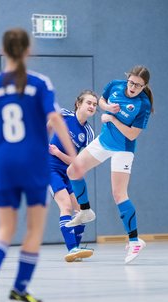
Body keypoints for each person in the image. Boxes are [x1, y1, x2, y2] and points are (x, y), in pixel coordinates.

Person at [0, 28, 79, 302]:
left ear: (3, 50)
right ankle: (19, 289)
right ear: (28, 50)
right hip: (34, 163)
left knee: (6, 228)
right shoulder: (40, 83)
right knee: (34, 229)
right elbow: (56, 119)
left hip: (4, 163)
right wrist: (75, 158)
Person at [66, 65, 154, 264]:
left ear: (144, 86)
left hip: (123, 148)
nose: (133, 87)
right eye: (131, 82)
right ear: (127, 78)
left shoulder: (143, 104)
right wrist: (106, 108)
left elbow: (132, 134)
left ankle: (134, 241)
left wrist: (113, 118)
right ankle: (85, 210)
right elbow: (102, 101)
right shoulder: (115, 86)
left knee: (119, 194)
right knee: (73, 170)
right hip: (103, 142)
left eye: (138, 85)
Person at [48, 90, 98, 262]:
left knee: (81, 211)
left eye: (94, 104)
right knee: (66, 206)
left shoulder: (89, 133)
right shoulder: (64, 114)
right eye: (89, 103)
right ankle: (72, 249)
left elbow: (76, 161)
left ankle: (75, 248)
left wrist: (58, 153)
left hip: (69, 172)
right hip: (50, 168)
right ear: (78, 104)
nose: (92, 106)